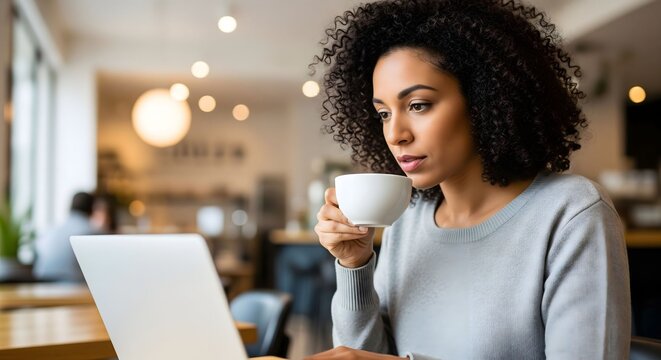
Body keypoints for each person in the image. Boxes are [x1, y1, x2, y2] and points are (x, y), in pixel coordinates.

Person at [308, 0, 631, 359]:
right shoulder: (408, 222)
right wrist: (355, 266)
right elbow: (367, 355)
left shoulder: (572, 214)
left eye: (418, 105)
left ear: (483, 98)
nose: (395, 133)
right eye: (383, 113)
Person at [33, 191, 99, 282]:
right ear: (92, 208)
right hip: (71, 284)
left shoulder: (50, 230)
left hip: (41, 282)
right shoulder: (89, 231)